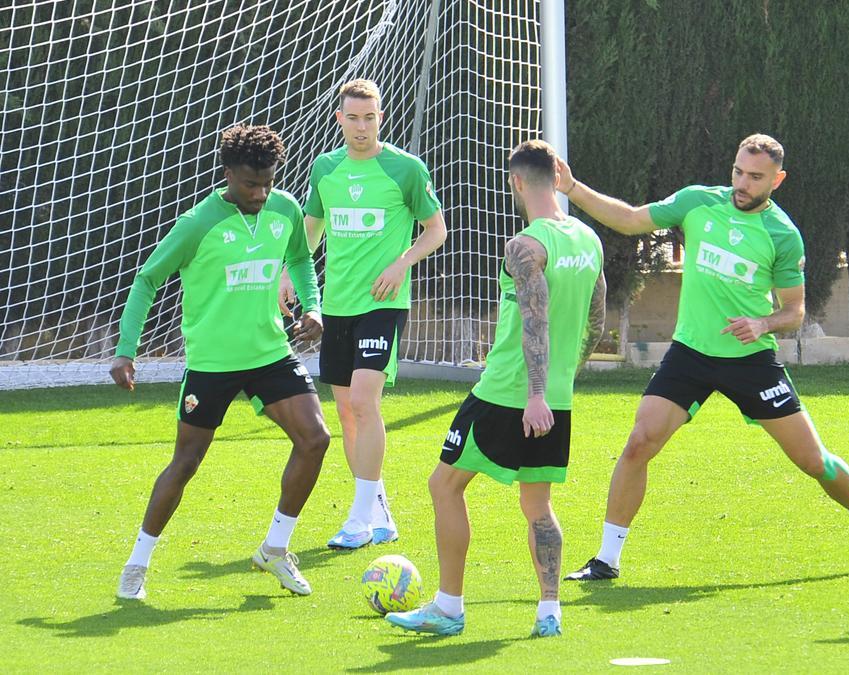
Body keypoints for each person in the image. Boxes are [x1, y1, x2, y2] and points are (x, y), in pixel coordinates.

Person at [556, 133, 849, 583]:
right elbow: (630, 220)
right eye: (738, 173)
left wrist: (763, 324)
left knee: (812, 461)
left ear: (777, 180)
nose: (742, 184)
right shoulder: (697, 201)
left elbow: (795, 310)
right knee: (639, 443)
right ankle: (606, 560)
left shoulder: (782, 235)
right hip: (690, 354)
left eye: (755, 177)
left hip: (750, 361)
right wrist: (572, 188)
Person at [386, 140, 606, 638]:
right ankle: (549, 613)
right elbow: (596, 316)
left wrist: (533, 394)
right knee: (538, 506)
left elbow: (536, 319)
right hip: (557, 397)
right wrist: (562, 379)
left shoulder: (525, 245)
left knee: (444, 486)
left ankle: (448, 608)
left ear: (517, 182)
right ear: (558, 176)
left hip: (509, 393)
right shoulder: (588, 239)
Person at [112, 124, 331, 600]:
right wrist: (126, 349)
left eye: (268, 181)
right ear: (228, 173)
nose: (261, 192)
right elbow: (148, 279)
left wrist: (313, 306)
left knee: (315, 439)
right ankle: (137, 563)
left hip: (270, 353)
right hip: (212, 363)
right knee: (186, 463)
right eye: (251, 183)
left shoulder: (285, 209)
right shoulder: (197, 223)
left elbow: (300, 260)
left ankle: (275, 548)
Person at [286, 78, 448, 549]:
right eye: (353, 117)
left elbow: (436, 230)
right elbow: (309, 233)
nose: (362, 127)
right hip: (338, 306)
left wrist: (402, 264)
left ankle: (358, 520)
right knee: (347, 411)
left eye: (370, 117)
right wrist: (285, 276)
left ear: (381, 118)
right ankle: (378, 512)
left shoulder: (405, 169)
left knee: (362, 401)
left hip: (384, 304)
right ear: (340, 119)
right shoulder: (325, 169)